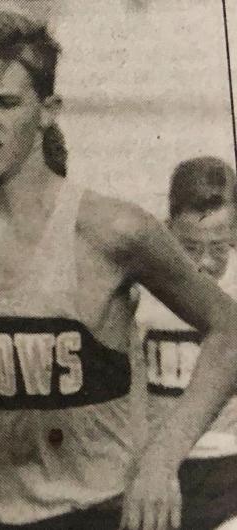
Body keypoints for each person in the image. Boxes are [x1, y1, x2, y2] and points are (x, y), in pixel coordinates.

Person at [0, 10, 237, 530]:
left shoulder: (111, 231)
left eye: (6, 103)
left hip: (94, 514)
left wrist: (161, 457)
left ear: (47, 110)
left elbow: (229, 329)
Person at [135, 156, 237, 530]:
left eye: (219, 248)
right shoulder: (142, 294)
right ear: (167, 233)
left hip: (231, 462)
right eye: (190, 249)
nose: (205, 264)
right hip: (161, 466)